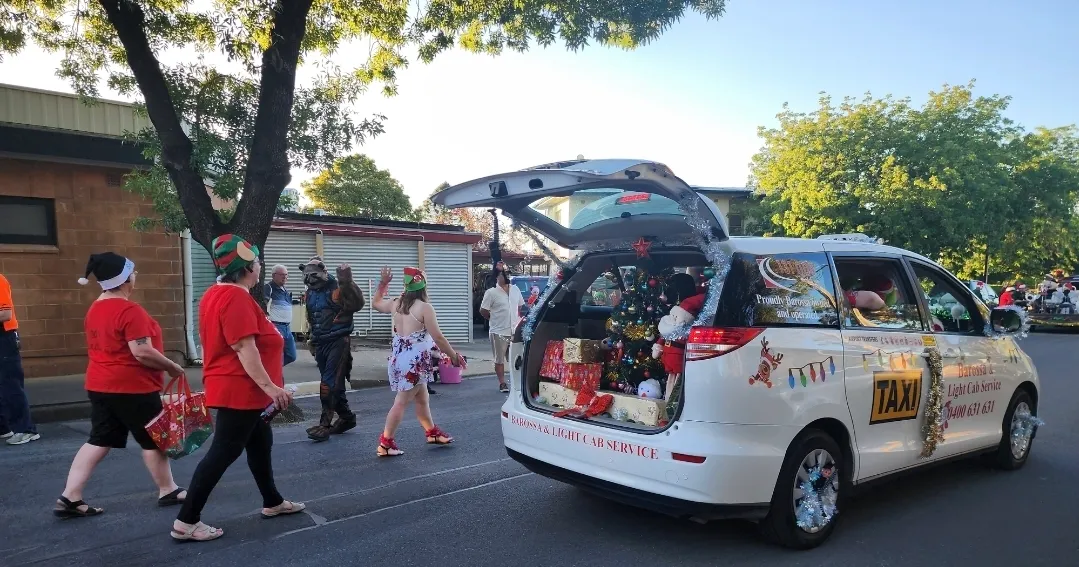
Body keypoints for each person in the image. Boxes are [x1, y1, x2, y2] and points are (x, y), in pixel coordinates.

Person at [172, 234, 303, 542]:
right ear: (248, 268)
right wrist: (272, 388)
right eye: (257, 261)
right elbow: (244, 347)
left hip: (241, 390)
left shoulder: (217, 294)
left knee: (260, 442)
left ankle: (272, 501)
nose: (260, 265)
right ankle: (186, 520)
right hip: (240, 391)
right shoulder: (235, 298)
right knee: (223, 452)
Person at [53, 253, 189, 518]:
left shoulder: (95, 308)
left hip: (99, 384)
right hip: (133, 387)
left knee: (99, 439)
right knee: (152, 440)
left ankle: (70, 495)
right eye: (133, 273)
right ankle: (168, 489)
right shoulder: (130, 311)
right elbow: (142, 352)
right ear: (125, 279)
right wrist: (171, 366)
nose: (136, 277)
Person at [372, 267, 461, 457]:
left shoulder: (396, 303)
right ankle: (386, 443)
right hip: (414, 363)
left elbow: (376, 304)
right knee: (401, 402)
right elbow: (438, 337)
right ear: (424, 286)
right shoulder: (424, 307)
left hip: (399, 358)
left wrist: (383, 284)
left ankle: (432, 432)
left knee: (422, 397)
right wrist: (453, 356)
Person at [301, 256, 365, 442]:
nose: (309, 279)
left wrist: (346, 281)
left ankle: (324, 425)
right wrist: (312, 340)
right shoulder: (310, 293)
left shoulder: (337, 288)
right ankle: (346, 418)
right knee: (335, 385)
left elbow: (357, 304)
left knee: (328, 383)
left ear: (323, 271)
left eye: (313, 274)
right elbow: (313, 317)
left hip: (338, 342)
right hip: (321, 342)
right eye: (306, 275)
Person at [0, 272, 38, 446]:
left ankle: (25, 430)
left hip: (4, 337)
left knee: (10, 384)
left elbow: (5, 314)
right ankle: (4, 427)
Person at [479, 263, 524, 393]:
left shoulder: (515, 289)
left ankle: (516, 382)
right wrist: (493, 318)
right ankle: (502, 383)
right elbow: (483, 310)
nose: (505, 276)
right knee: (499, 359)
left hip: (514, 330)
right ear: (497, 277)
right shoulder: (491, 292)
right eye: (502, 274)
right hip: (498, 331)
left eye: (506, 273)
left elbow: (519, 306)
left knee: (516, 358)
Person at [263, 264, 297, 367]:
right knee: (278, 354)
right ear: (273, 276)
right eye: (282, 274)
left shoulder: (285, 290)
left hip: (287, 327)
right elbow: (263, 305)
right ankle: (273, 373)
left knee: (292, 355)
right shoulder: (269, 288)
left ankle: (272, 369)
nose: (285, 277)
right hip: (276, 326)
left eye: (286, 275)